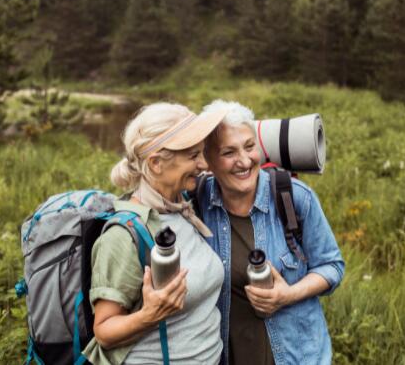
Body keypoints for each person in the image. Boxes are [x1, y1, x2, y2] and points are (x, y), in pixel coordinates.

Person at [198, 100, 345, 365]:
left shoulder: (294, 197)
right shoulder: (197, 202)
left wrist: (288, 295)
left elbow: (332, 266)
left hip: (296, 356)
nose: (244, 161)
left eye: (250, 146)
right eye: (228, 152)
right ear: (207, 160)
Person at [83, 102, 227, 365]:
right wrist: (150, 314)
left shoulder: (182, 207)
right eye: (193, 156)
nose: (204, 164)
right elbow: (104, 331)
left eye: (202, 153)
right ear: (157, 163)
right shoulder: (124, 235)